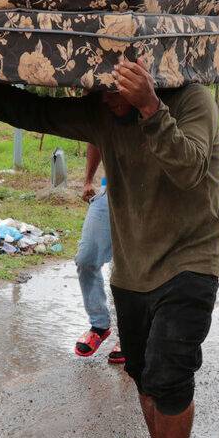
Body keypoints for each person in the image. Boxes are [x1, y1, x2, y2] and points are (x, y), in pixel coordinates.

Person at [0, 58, 219, 438]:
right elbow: (41, 111)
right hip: (133, 266)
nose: (108, 97)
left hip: (191, 256)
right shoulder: (103, 108)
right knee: (144, 375)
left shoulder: (193, 100)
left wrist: (149, 108)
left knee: (169, 375)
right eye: (101, 87)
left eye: (117, 86)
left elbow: (191, 170)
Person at [73, 143, 125, 364]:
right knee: (86, 258)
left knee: (127, 267)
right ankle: (100, 325)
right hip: (109, 191)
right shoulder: (105, 110)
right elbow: (96, 139)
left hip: (147, 196)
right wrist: (87, 180)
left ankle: (129, 335)